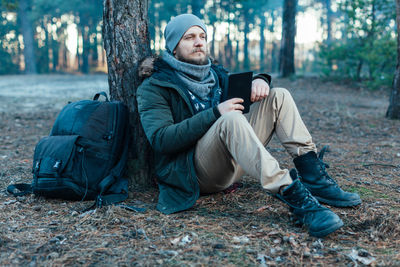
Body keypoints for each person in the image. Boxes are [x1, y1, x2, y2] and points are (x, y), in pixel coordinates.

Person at [137, 14, 361, 238]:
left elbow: (244, 91)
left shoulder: (215, 75)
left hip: (232, 159)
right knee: (230, 118)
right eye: (189, 37)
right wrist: (215, 113)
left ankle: (315, 179)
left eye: (202, 36)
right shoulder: (155, 86)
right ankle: (296, 198)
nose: (199, 42)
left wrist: (259, 80)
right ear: (173, 47)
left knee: (279, 96)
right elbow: (161, 139)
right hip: (193, 173)